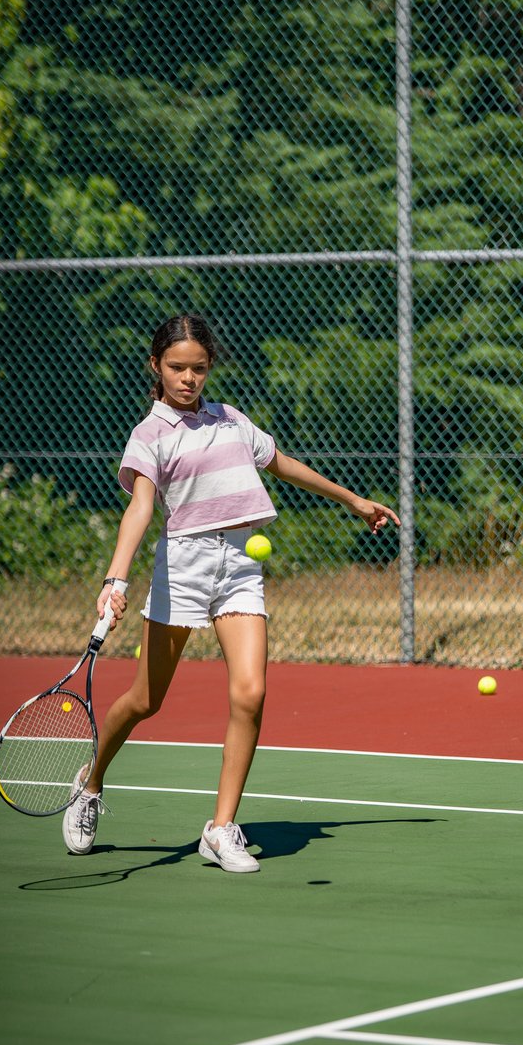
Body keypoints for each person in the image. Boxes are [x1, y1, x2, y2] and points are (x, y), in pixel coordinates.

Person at [62, 313, 400, 871]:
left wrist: (353, 500)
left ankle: (220, 829)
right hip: (184, 567)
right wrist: (114, 581)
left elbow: (281, 463)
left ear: (209, 368)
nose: (188, 378)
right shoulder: (149, 436)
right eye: (176, 368)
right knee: (146, 701)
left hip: (240, 564)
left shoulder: (232, 420)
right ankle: (91, 780)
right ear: (156, 367)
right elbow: (141, 507)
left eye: (198, 368)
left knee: (251, 694)